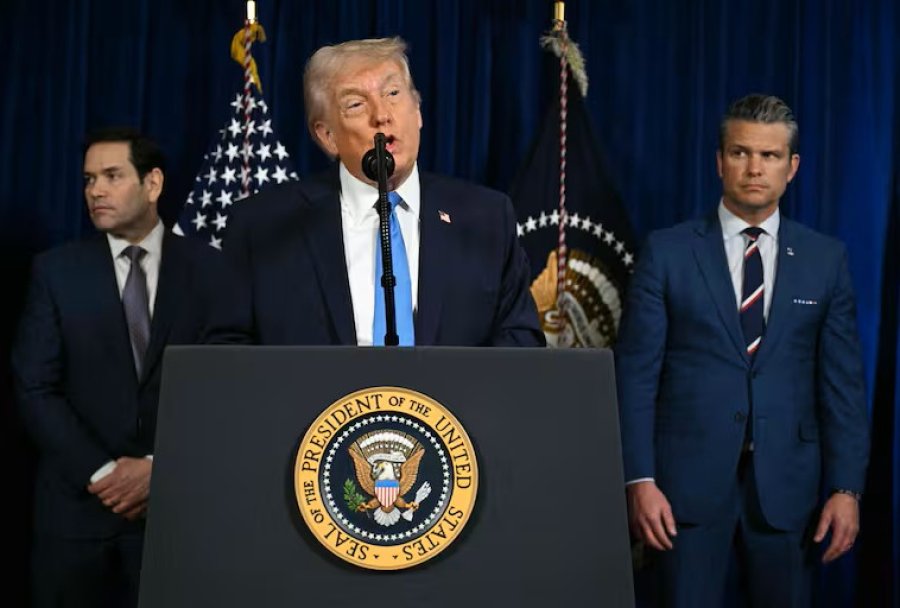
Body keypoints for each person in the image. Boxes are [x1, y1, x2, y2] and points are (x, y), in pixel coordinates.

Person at [615, 94, 869, 606]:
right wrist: (638, 479)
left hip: (788, 491)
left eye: (770, 156)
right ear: (719, 161)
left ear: (792, 167)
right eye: (740, 152)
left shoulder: (825, 259)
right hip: (681, 490)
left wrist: (846, 489)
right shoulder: (667, 252)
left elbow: (842, 387)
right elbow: (635, 376)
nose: (755, 168)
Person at [12, 128, 246, 607]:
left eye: (112, 176)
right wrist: (103, 474)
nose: (95, 190)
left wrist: (160, 468)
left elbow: (226, 386)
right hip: (76, 522)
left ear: (153, 183)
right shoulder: (55, 272)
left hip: (179, 519)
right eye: (88, 179)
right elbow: (35, 387)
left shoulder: (212, 270)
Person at [226, 37, 544, 347]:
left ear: (417, 111)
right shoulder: (264, 227)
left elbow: (520, 345)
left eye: (393, 93)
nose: (382, 114)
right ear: (327, 136)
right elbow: (229, 357)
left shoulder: (486, 219)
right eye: (355, 104)